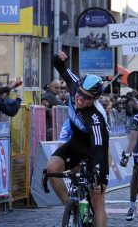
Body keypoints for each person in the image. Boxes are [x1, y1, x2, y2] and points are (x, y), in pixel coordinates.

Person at [45, 51, 109, 227]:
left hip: (97, 148)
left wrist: (100, 176)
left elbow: (98, 147)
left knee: (97, 198)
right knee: (51, 168)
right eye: (80, 93)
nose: (79, 98)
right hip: (76, 142)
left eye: (86, 97)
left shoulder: (95, 117)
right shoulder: (75, 85)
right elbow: (59, 66)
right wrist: (58, 58)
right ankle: (70, 205)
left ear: (94, 99)